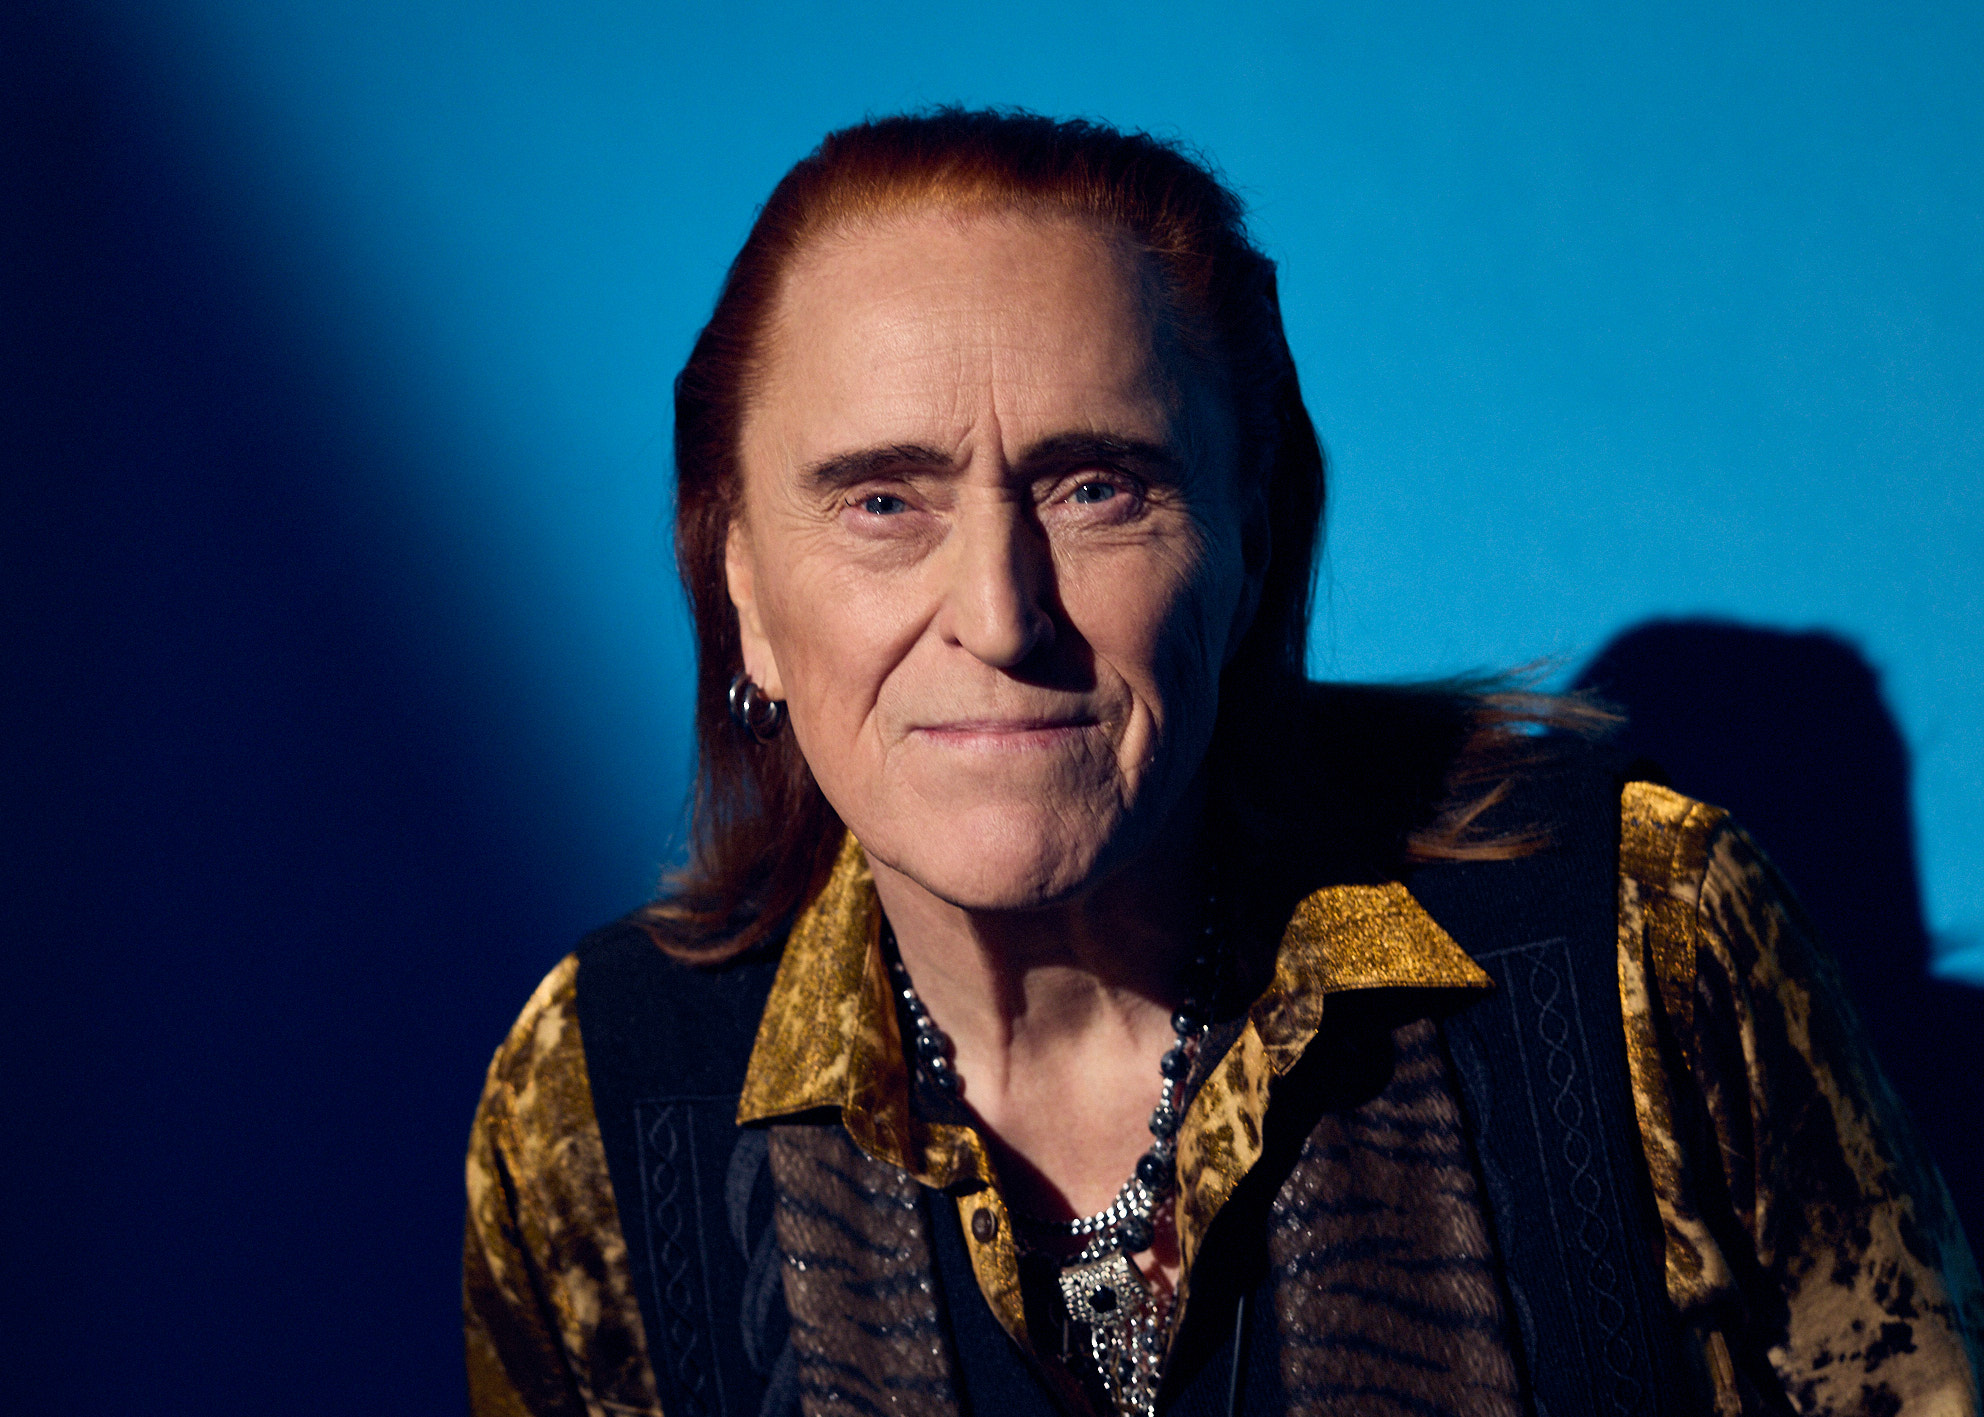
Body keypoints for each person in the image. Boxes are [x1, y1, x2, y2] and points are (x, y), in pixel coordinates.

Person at [463, 109, 1981, 1417]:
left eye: (1096, 487)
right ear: (743, 590)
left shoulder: (1642, 948)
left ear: (1248, 539)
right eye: (881, 503)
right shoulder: (596, 1102)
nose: (1000, 613)